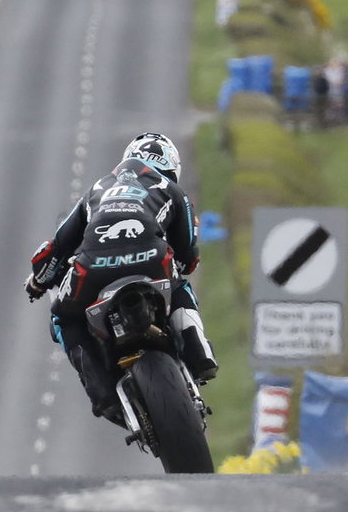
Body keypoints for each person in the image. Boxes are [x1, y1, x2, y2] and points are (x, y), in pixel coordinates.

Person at [23, 133, 217, 422]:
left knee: (63, 317)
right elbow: (189, 251)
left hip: (93, 268)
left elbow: (57, 246)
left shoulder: (97, 188)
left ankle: (102, 393)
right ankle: (199, 352)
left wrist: (38, 282)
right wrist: (184, 264)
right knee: (178, 286)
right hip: (152, 259)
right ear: (172, 166)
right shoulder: (171, 189)